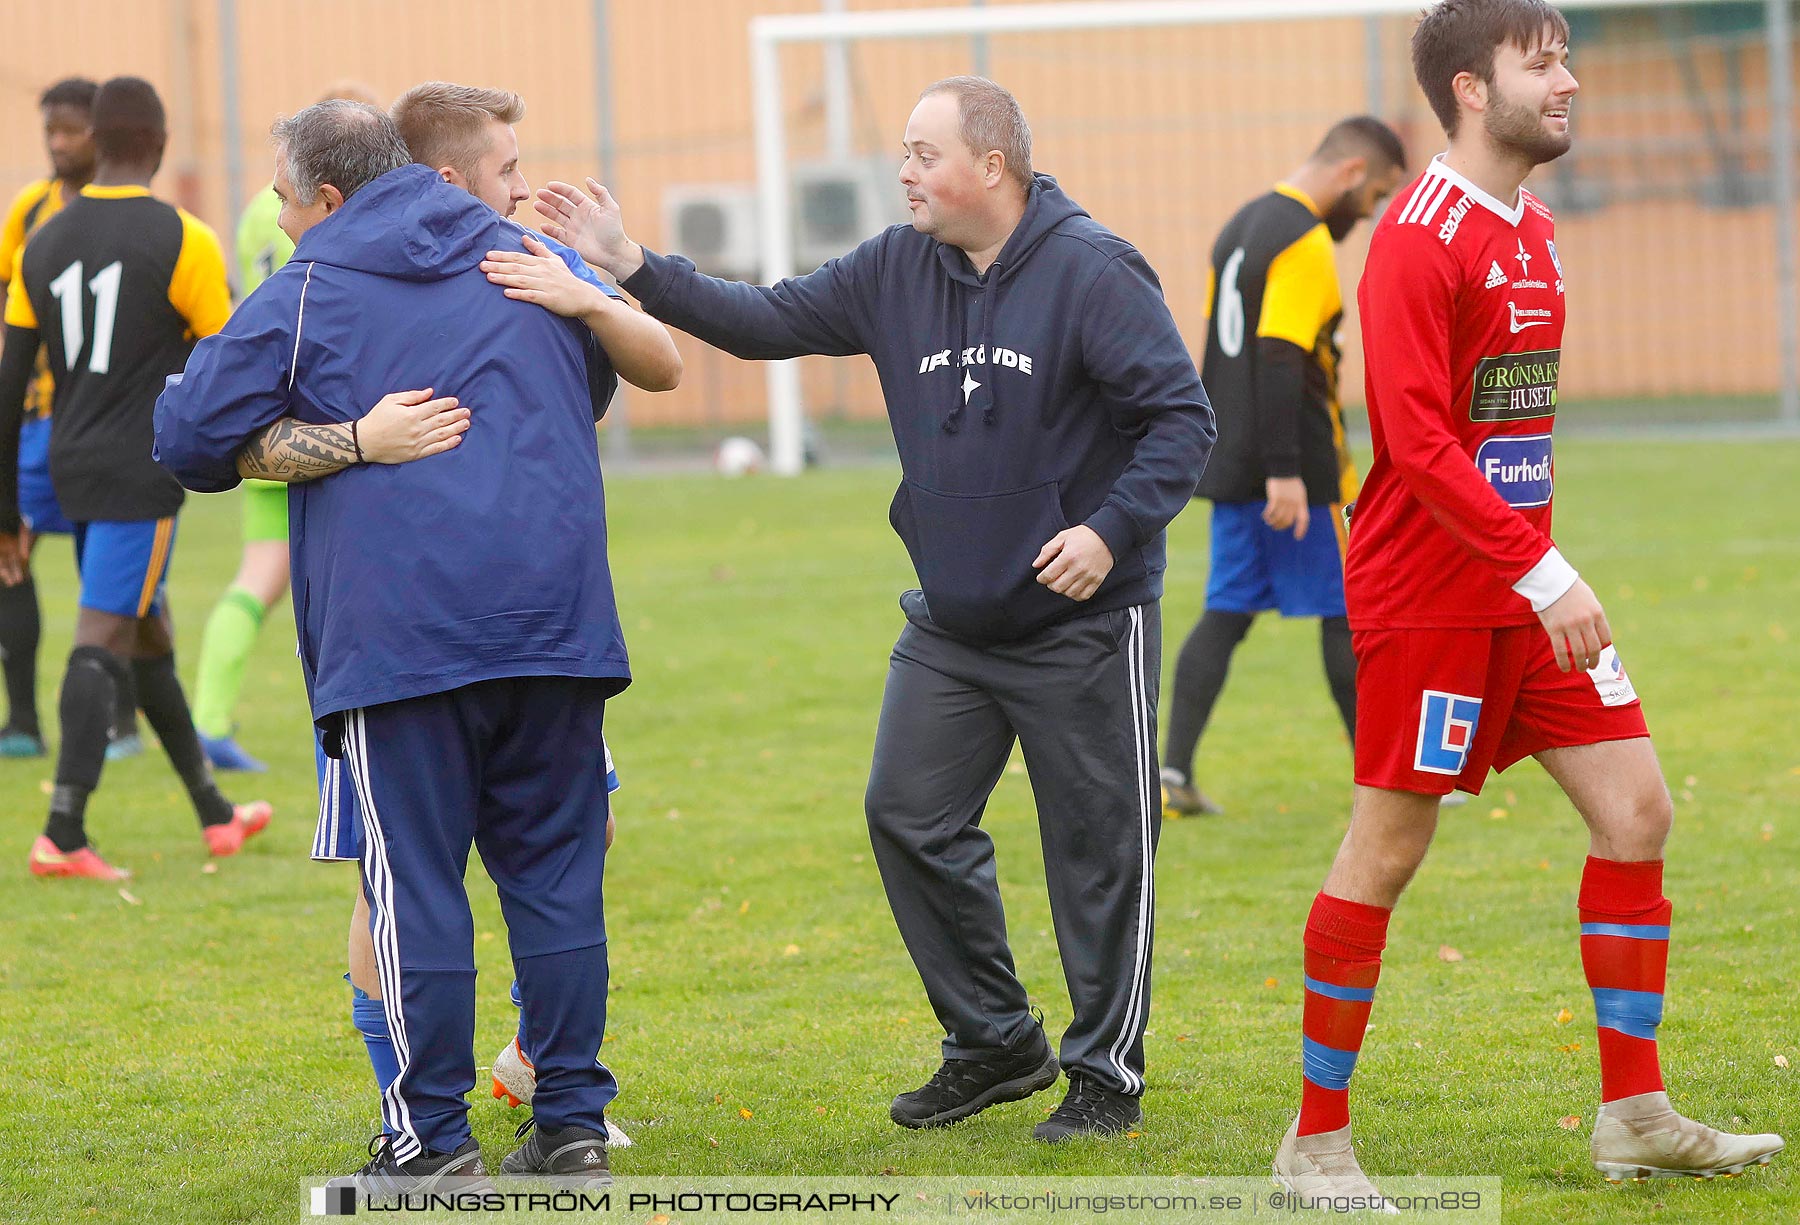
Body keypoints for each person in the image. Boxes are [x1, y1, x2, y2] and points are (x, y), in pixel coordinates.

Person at [515, 75, 1214, 1140]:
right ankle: (993, 1040)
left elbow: (1181, 422)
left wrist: (1108, 532)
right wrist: (632, 268)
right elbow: (764, 321)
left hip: (1081, 621)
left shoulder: (1093, 271)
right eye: (903, 153)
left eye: (923, 154)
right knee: (908, 817)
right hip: (951, 620)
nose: (903, 173)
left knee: (1098, 851)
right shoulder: (897, 267)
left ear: (993, 165)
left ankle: (1103, 1078)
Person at [1271, 0, 1784, 1203]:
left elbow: (1502, 433)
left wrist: (1537, 569)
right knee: (1388, 848)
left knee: (1639, 809)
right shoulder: (1414, 236)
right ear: (1468, 88)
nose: (1569, 83)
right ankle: (1314, 1143)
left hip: (1522, 596)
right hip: (1430, 602)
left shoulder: (1537, 227)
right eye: (1539, 63)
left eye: (1566, 59)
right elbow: (1415, 435)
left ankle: (1635, 1113)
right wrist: (1546, 568)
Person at [156, 100, 630, 1192]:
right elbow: (594, 381)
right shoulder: (528, 255)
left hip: (402, 634)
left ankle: (431, 1142)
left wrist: (328, 442)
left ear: (327, 197)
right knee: (557, 882)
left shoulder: (308, 285)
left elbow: (185, 437)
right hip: (556, 624)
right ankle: (571, 1129)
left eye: (279, 194)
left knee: (413, 885)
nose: (273, 216)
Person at [296, 79, 672, 1150]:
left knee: (545, 850)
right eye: (510, 167)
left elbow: (659, 364)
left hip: (515, 632)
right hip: (398, 631)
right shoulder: (333, 275)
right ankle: (421, 1113)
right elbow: (217, 422)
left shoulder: (533, 272)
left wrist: (593, 294)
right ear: (450, 177)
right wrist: (361, 439)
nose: (528, 183)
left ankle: (539, 1101)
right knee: (393, 888)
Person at [0, 77, 270, 880]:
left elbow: (11, 380)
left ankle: (217, 815)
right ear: (154, 142)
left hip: (64, 463)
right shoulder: (183, 238)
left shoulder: (40, 240)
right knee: (104, 638)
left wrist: (7, 506)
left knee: (148, 633)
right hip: (137, 472)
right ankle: (64, 830)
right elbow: (226, 358)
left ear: (97, 141)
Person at [1160, 117, 1405, 818]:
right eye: (1376, 194)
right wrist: (1287, 471)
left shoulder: (1238, 228)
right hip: (1296, 467)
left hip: (1233, 460)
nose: (1369, 212)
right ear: (1352, 173)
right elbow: (1276, 356)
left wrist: (1248, 460)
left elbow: (1221, 356)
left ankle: (1173, 770)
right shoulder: (1301, 237)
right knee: (1347, 612)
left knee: (1226, 612)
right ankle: (1383, 782)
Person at [191, 82, 383, 773]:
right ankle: (244, 724)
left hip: (269, 409)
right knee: (325, 594)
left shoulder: (252, 216)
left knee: (267, 578)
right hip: (334, 415)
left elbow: (254, 302)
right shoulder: (357, 215)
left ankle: (210, 712)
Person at [0, 77, 144, 760]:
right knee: (9, 555)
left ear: (103, 134)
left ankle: (123, 718)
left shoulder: (140, 219)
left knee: (116, 575)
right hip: (33, 424)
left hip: (104, 427)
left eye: (71, 129)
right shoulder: (29, 214)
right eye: (49, 131)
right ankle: (23, 720)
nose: (59, 143)